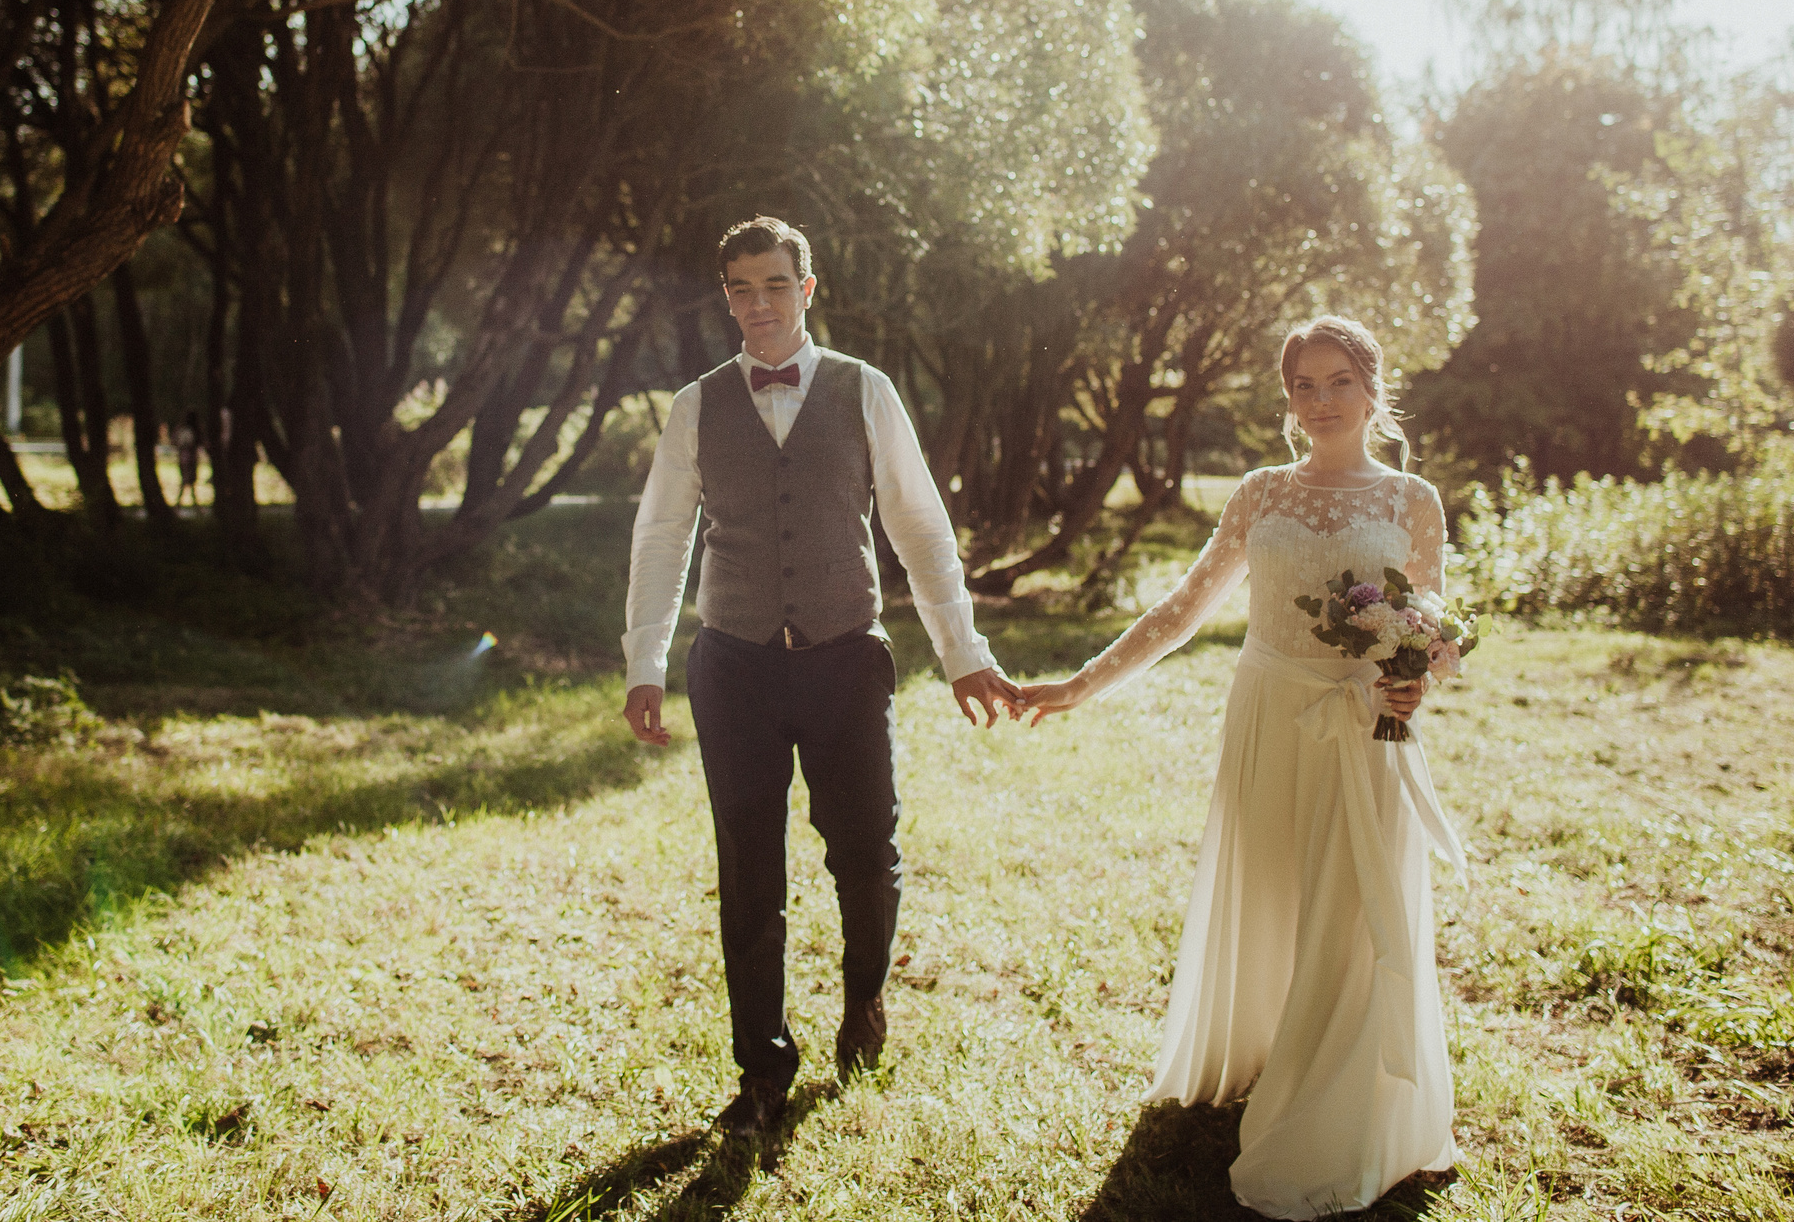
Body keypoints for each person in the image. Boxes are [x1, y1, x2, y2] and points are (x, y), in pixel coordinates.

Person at [1015, 315, 1464, 1218]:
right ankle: (1264, 1050)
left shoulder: (1413, 498)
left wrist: (1419, 678)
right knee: (1270, 892)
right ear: (1288, 399)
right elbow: (1183, 609)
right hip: (1267, 714)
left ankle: (1339, 1103)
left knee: (1350, 912)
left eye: (1340, 381)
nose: (1322, 399)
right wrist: (1082, 684)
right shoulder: (1261, 493)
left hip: (1363, 724)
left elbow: (1432, 625)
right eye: (1305, 384)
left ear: (1373, 391)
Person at [622, 216, 1025, 1139]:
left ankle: (864, 1005)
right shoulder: (697, 403)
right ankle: (761, 1065)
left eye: (773, 285)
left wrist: (963, 653)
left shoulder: (864, 390)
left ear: (808, 289)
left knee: (864, 854)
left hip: (847, 657)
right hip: (733, 665)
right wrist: (645, 658)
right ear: (725, 296)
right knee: (748, 872)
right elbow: (660, 535)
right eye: (739, 288)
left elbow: (920, 528)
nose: (756, 304)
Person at [173, 409, 203, 508]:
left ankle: (181, 504)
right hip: (191, 457)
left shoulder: (181, 429)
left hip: (183, 457)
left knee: (185, 480)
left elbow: (176, 441)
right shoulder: (193, 431)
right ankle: (193, 504)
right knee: (189, 480)